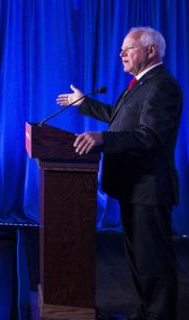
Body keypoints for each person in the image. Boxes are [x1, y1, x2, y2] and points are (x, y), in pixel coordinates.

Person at [57, 27, 182, 320]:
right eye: (121, 49)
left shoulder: (163, 85)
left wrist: (103, 139)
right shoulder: (141, 84)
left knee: (154, 264)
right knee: (140, 261)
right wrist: (84, 104)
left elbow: (149, 135)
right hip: (133, 187)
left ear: (151, 51)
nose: (121, 54)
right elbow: (120, 117)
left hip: (149, 189)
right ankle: (146, 313)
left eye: (129, 48)